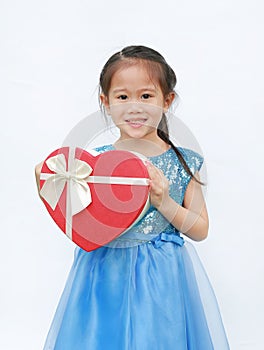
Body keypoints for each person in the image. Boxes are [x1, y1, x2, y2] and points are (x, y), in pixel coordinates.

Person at [35, 45, 230, 349]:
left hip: (161, 277)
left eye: (146, 96)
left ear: (167, 101)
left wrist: (164, 202)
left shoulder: (184, 162)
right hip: (103, 273)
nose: (134, 107)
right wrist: (51, 183)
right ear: (106, 102)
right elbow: (78, 221)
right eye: (122, 97)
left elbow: (200, 229)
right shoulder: (92, 165)